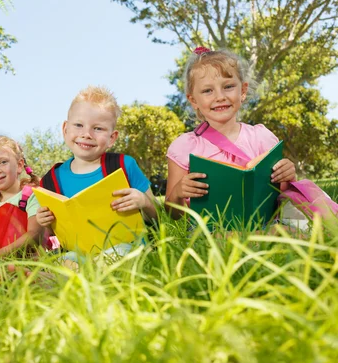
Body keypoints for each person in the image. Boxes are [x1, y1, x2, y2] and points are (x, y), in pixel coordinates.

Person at [165, 47, 296, 219]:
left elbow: (283, 197)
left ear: (242, 91)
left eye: (228, 87)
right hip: (211, 230)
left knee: (293, 225)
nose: (219, 96)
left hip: (265, 222)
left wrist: (288, 174)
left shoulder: (261, 138)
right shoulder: (184, 146)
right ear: (193, 100)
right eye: (207, 91)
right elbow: (171, 214)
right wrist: (178, 193)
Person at [36, 85, 158, 263]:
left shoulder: (123, 165)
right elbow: (51, 235)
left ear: (112, 138)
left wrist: (143, 202)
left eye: (98, 128)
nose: (86, 134)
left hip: (125, 246)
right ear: (65, 129)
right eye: (78, 125)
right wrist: (44, 222)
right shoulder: (51, 180)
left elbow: (158, 216)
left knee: (116, 256)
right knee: (61, 264)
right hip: (78, 252)